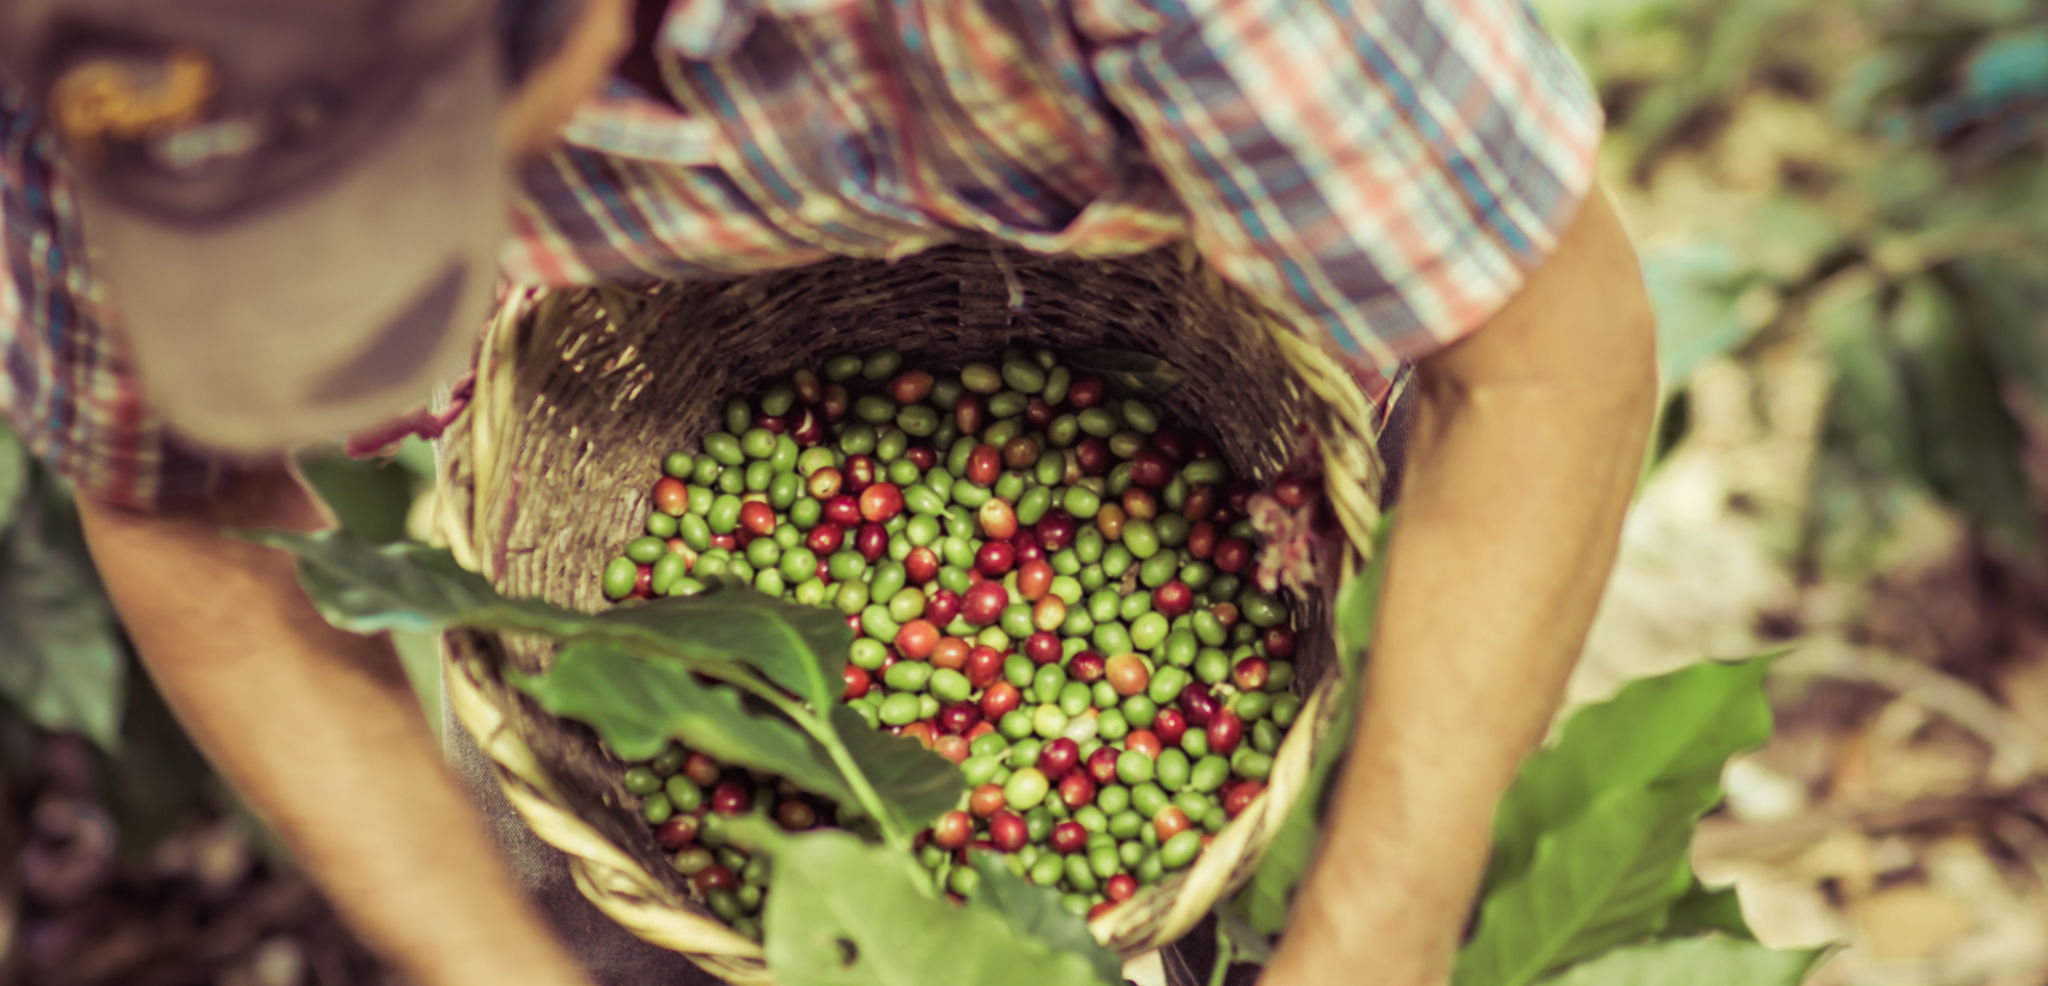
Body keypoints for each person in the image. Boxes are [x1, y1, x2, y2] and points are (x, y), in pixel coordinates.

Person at [0, 0, 1657, 984]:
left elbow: (1540, 361)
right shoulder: (102, 62)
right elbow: (177, 504)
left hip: (1246, 389)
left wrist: (1369, 944)